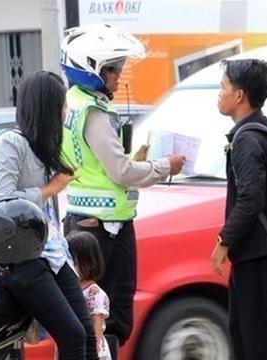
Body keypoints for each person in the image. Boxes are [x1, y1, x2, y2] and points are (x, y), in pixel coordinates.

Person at [59, 23, 185, 353]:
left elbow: (96, 166)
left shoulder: (72, 104)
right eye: (112, 70)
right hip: (106, 231)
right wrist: (164, 167)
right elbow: (121, 172)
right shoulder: (95, 113)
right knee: (110, 316)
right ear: (91, 70)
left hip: (81, 221)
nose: (118, 77)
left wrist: (134, 158)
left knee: (83, 311)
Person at [0, 71, 96, 360]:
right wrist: (48, 189)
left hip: (52, 255)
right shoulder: (10, 144)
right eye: (62, 105)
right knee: (72, 335)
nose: (65, 112)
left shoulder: (44, 147)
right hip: (20, 260)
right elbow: (0, 202)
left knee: (87, 333)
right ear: (47, 108)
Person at [210, 59, 267, 359]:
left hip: (256, 256)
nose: (219, 93)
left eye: (223, 86)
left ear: (239, 96)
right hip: (262, 255)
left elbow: (250, 199)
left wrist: (223, 242)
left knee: (258, 346)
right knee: (246, 340)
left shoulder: (248, 140)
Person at [67, 231, 111, 360]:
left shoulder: (95, 294)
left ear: (89, 263)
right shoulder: (71, 289)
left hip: (92, 351)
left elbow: (96, 329)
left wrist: (94, 353)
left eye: (74, 263)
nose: (70, 268)